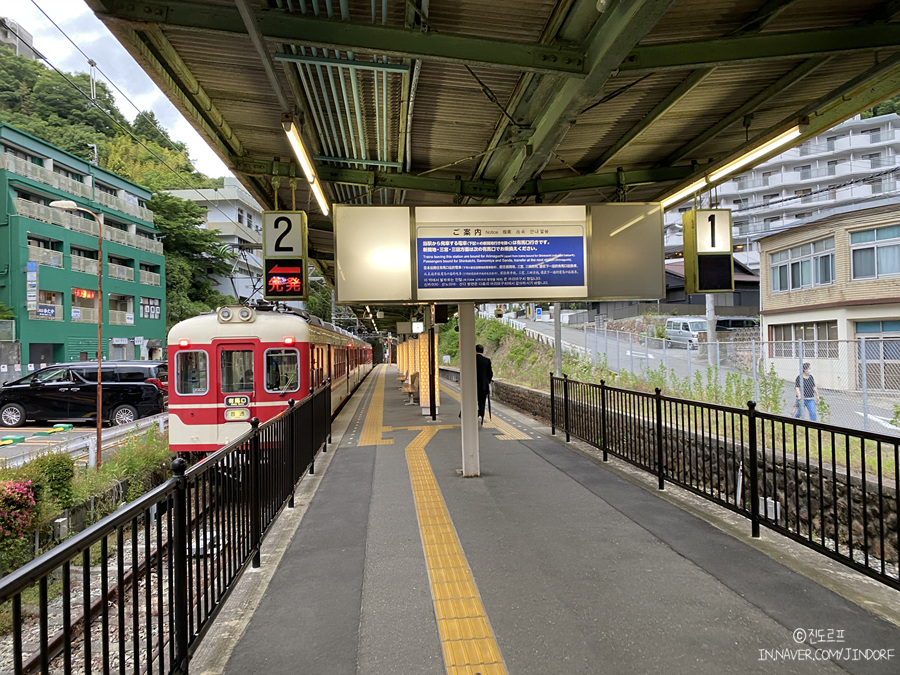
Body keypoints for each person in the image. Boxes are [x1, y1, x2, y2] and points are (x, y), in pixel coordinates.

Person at [476, 344, 493, 423]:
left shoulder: (472, 360)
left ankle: (472, 415)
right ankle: (481, 416)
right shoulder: (487, 360)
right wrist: (487, 382)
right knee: (482, 402)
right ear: (482, 351)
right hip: (483, 386)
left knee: (472, 401)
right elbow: (490, 374)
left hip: (473, 386)